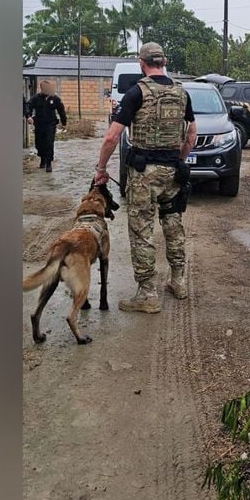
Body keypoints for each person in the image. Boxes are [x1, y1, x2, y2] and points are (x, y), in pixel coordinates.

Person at [93, 42, 197, 313]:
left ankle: (148, 294)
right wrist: (180, 160)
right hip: (173, 173)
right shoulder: (181, 92)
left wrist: (101, 169)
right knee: (173, 225)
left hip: (144, 174)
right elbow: (192, 135)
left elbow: (111, 136)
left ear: (142, 63)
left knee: (142, 231)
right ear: (164, 62)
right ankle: (179, 281)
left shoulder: (136, 93)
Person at [26, 80, 67, 171]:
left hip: (50, 125)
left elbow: (61, 111)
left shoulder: (55, 99)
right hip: (39, 125)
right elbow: (28, 106)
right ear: (42, 88)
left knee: (49, 143)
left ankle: (48, 163)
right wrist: (28, 116)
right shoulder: (36, 98)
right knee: (39, 144)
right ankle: (43, 158)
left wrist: (64, 123)